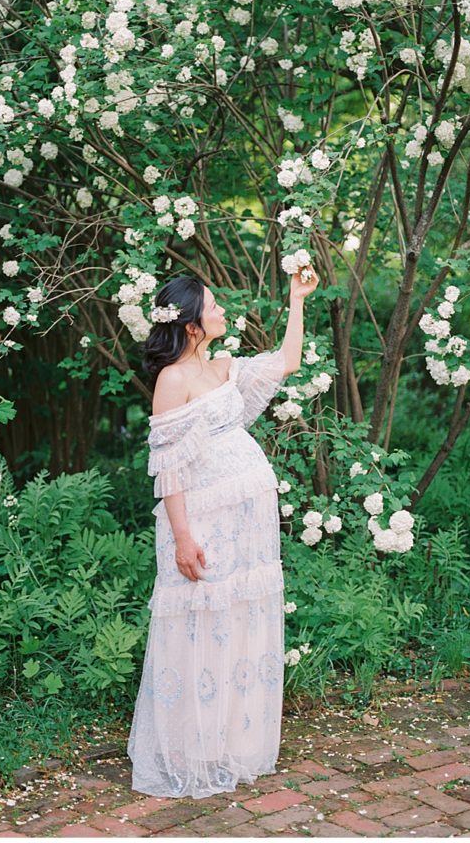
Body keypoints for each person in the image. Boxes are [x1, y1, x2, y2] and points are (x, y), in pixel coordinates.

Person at [126, 265, 319, 799]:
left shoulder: (226, 367)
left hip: (247, 525)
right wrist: (183, 537)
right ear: (190, 325)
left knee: (236, 621)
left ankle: (231, 741)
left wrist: (297, 299)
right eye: (212, 306)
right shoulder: (174, 380)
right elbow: (169, 469)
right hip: (203, 523)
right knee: (198, 623)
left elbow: (288, 361)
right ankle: (192, 747)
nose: (221, 311)